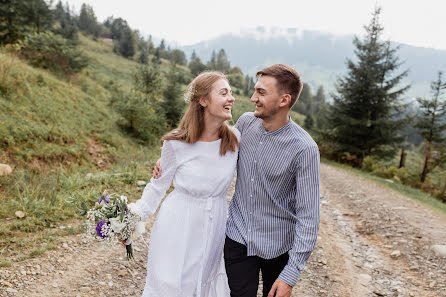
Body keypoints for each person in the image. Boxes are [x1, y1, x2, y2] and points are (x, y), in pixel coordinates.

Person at [154, 64, 320, 297]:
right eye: (255, 91)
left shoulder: (304, 149)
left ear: (284, 100)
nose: (253, 98)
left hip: (278, 246)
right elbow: (209, 143)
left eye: (261, 93)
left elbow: (309, 218)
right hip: (238, 237)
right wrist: (170, 160)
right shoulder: (245, 124)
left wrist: (290, 274)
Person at [128, 71, 239, 297]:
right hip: (177, 223)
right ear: (203, 101)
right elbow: (157, 187)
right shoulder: (176, 143)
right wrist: (131, 217)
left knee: (203, 282)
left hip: (213, 223)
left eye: (231, 93)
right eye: (223, 93)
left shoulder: (235, 140)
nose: (231, 98)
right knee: (171, 283)